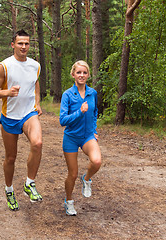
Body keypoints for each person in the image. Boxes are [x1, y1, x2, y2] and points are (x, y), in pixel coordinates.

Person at [0, 29, 43, 211]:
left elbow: (35, 83)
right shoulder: (4, 66)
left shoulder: (35, 65)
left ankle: (29, 183)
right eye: (20, 43)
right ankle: (9, 190)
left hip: (29, 113)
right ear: (13, 45)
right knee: (11, 158)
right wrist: (6, 92)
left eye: (27, 43)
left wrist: (38, 102)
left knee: (37, 143)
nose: (24, 47)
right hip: (10, 116)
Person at [59, 60, 102, 216]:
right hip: (71, 137)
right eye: (79, 72)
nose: (82, 75)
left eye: (84, 72)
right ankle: (69, 202)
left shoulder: (93, 93)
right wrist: (80, 112)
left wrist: (94, 129)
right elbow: (62, 120)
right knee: (72, 174)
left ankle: (87, 179)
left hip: (87, 136)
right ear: (73, 75)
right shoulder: (67, 95)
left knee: (96, 161)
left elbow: (95, 112)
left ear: (88, 75)